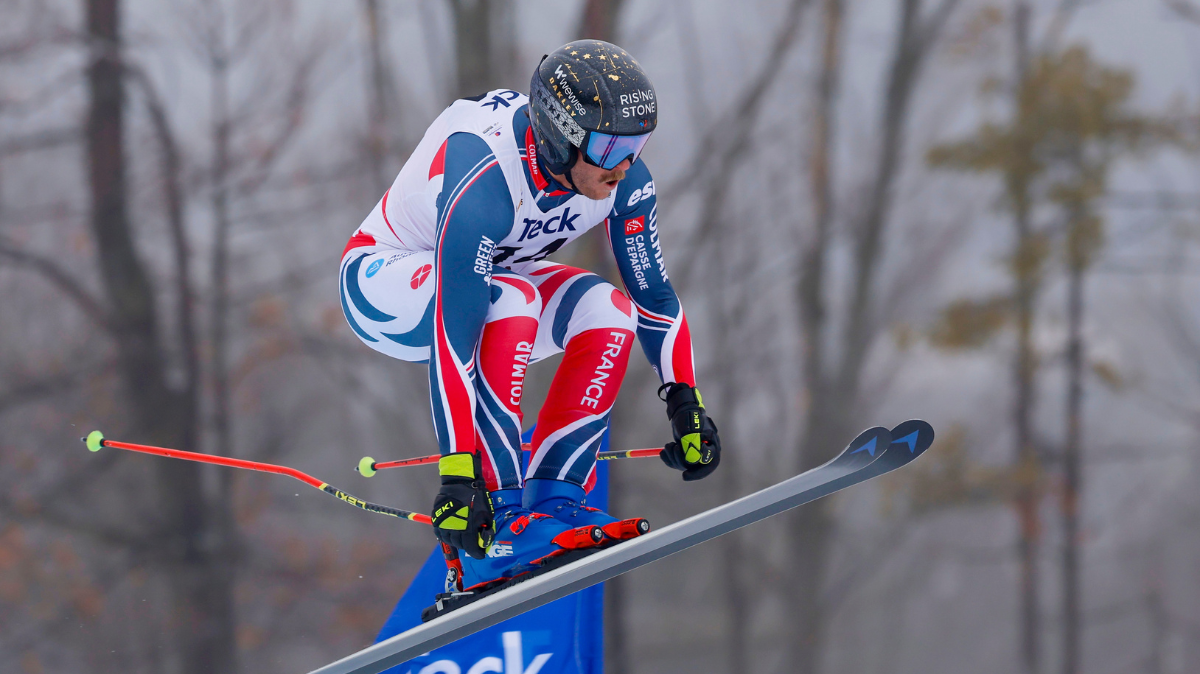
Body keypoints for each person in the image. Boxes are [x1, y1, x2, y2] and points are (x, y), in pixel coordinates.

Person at [339, 40, 722, 591]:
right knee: (510, 297)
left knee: (607, 311)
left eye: (637, 145)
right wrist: (457, 473)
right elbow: (457, 331)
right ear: (561, 137)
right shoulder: (486, 176)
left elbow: (653, 298)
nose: (626, 165)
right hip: (384, 282)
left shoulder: (623, 183)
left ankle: (554, 508)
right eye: (612, 147)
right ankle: (501, 510)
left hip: (491, 283)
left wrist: (685, 400)